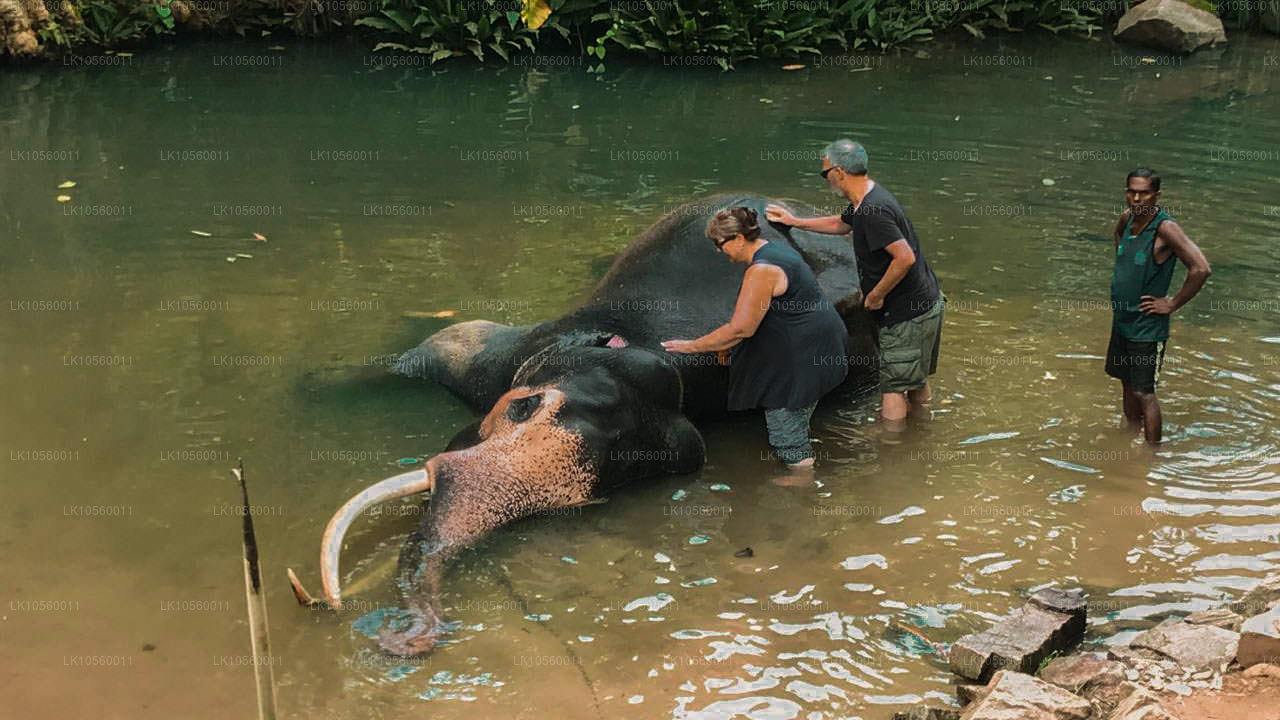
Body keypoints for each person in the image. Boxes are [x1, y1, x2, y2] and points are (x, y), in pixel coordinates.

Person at [766, 138, 943, 425]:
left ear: (838, 172)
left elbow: (905, 257)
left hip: (906, 312)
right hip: (924, 303)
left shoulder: (874, 211)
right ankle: (922, 427)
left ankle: (893, 449)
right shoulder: (866, 200)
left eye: (825, 173)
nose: (826, 180)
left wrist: (876, 295)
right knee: (913, 377)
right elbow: (841, 224)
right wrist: (795, 222)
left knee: (894, 387)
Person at [661, 206, 848, 468]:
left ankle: (800, 486)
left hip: (804, 357)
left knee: (786, 432)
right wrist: (727, 349)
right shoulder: (775, 249)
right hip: (825, 342)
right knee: (797, 418)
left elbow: (741, 328)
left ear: (738, 238)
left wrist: (692, 346)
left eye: (719, 244)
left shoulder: (762, 270)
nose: (718, 251)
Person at [1106, 168, 1210, 444]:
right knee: (1126, 383)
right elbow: (1119, 241)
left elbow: (1200, 268)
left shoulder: (1165, 228)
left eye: (1144, 193)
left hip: (1146, 327)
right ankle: (1129, 435)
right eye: (1131, 192)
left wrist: (1172, 303)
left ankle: (1151, 456)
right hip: (1122, 321)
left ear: (1156, 195)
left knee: (1144, 392)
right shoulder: (1127, 219)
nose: (1136, 198)